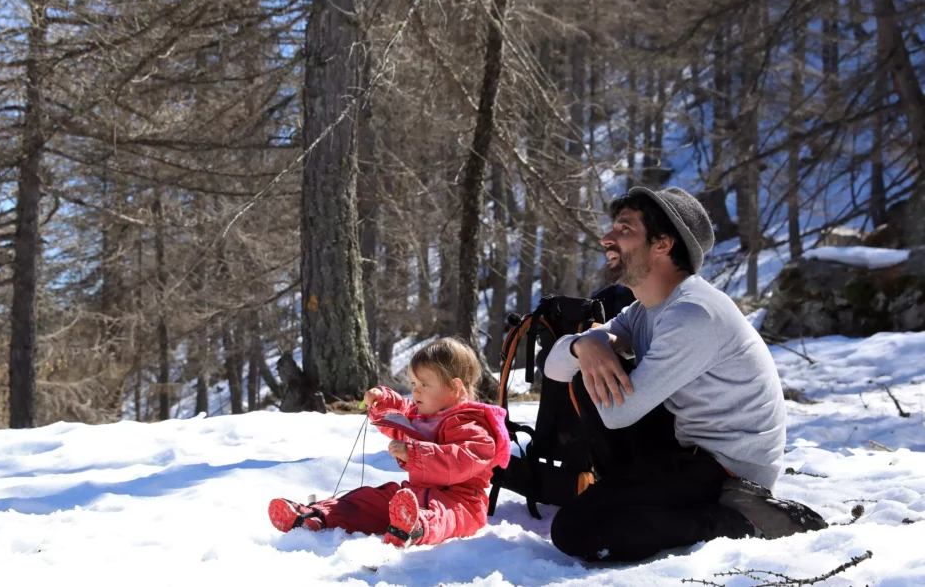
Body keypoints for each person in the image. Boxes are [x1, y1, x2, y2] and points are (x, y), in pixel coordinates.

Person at [545, 186, 826, 562]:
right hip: (688, 450)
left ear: (663, 244)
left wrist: (594, 344)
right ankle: (630, 498)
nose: (607, 238)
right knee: (588, 373)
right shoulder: (645, 310)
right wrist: (586, 345)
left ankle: (741, 520)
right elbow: (554, 370)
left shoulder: (693, 313)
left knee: (574, 530)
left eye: (625, 229)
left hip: (731, 470)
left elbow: (619, 413)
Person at [268, 337, 511, 548]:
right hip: (414, 495)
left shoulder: (472, 426)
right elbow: (401, 412)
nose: (415, 392)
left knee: (442, 515)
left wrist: (415, 454)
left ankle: (414, 526)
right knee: (370, 499)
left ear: (454, 388)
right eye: (413, 384)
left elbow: (460, 461)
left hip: (461, 503)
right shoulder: (421, 415)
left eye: (424, 385)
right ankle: (317, 516)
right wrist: (382, 400)